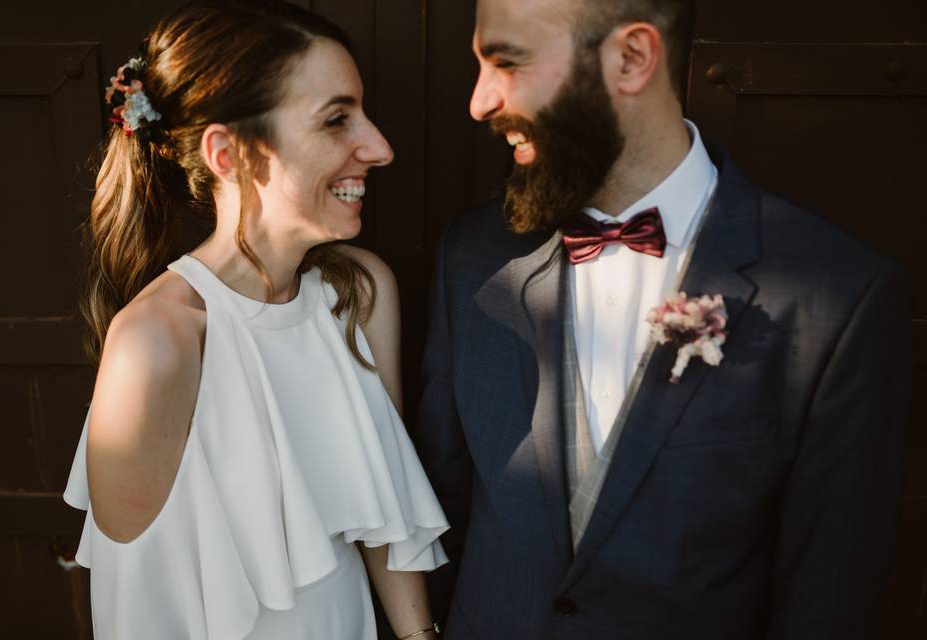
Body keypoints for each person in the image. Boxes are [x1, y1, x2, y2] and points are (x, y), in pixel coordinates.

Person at [415, 0, 910, 638]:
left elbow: (829, 596)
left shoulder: (837, 294)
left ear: (631, 58)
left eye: (507, 61)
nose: (480, 103)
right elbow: (441, 503)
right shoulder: (473, 254)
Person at [63, 2, 447, 638]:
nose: (378, 148)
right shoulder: (155, 344)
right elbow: (135, 612)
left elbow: (387, 510)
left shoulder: (360, 292)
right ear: (229, 152)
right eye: (335, 120)